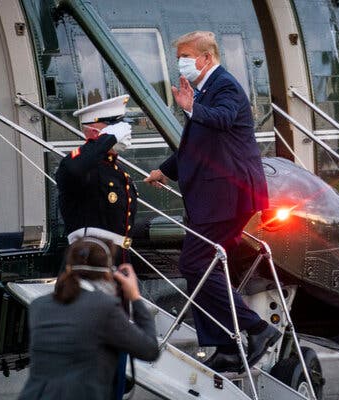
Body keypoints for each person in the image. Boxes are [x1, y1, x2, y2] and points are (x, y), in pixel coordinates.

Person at [144, 31, 280, 372]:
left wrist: (192, 107)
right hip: (214, 196)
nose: (181, 64)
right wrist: (165, 170)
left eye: (186, 56)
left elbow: (220, 119)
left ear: (206, 57)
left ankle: (258, 328)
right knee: (202, 269)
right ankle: (224, 346)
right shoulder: (205, 90)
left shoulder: (226, 87)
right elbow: (200, 145)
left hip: (229, 196)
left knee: (195, 264)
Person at [18, 237, 159, 400]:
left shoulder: (39, 306)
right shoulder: (104, 306)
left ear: (68, 268)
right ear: (109, 272)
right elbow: (149, 350)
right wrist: (135, 297)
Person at [56, 95, 137, 256]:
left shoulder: (116, 169)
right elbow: (74, 168)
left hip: (115, 258)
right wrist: (108, 138)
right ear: (94, 131)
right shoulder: (77, 165)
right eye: (114, 125)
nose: (123, 130)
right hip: (88, 259)